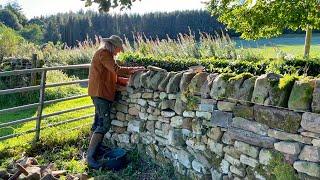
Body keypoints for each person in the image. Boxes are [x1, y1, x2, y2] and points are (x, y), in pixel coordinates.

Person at [87, 35, 144, 169]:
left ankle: (96, 150)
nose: (119, 52)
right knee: (104, 124)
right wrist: (133, 70)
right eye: (118, 49)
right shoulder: (104, 54)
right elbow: (116, 70)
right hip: (100, 93)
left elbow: (113, 75)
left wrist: (125, 81)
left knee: (98, 122)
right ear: (113, 46)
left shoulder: (106, 55)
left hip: (99, 93)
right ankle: (90, 158)